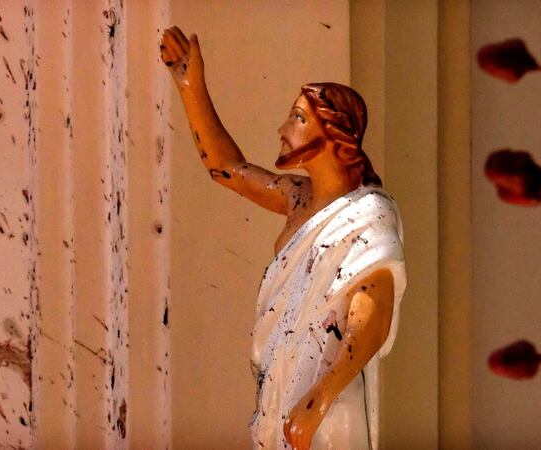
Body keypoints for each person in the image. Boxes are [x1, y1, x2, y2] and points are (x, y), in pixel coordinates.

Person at [160, 26, 407, 449]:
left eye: (298, 118)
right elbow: (227, 168)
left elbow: (372, 319)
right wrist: (190, 86)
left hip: (328, 403)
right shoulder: (296, 198)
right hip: (278, 387)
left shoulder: (368, 214)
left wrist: (321, 397)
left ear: (334, 133)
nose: (283, 128)